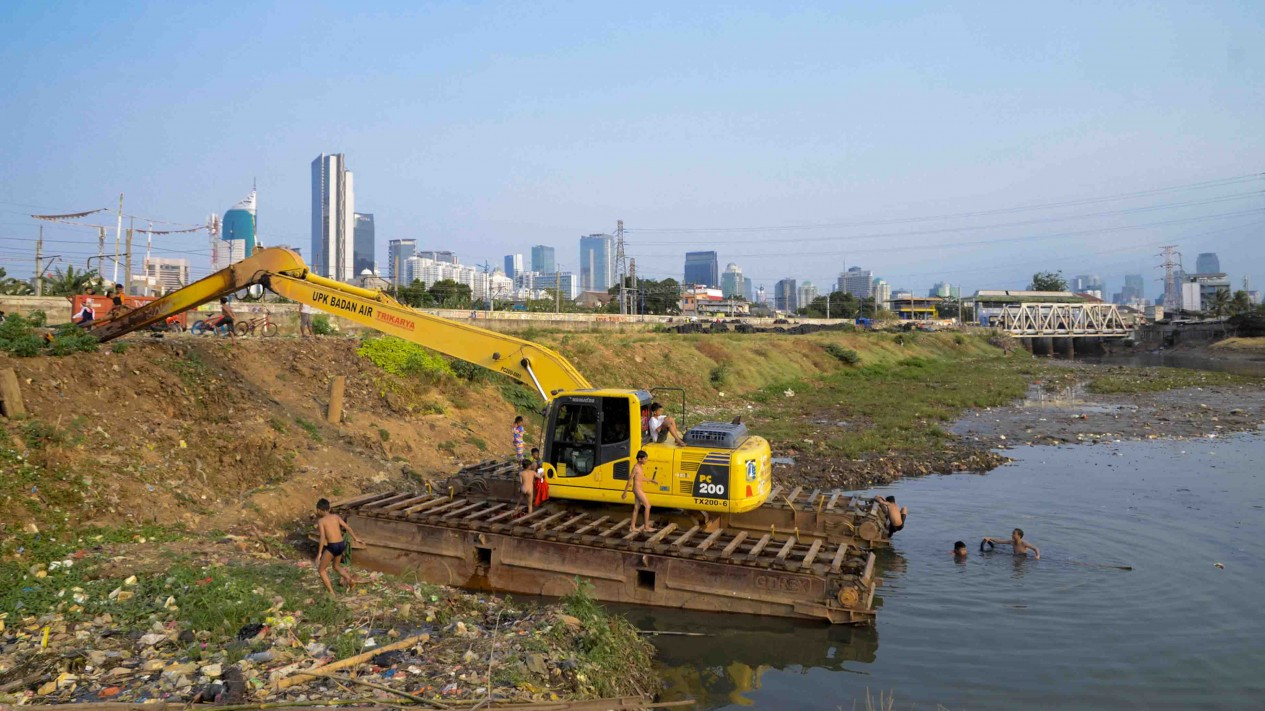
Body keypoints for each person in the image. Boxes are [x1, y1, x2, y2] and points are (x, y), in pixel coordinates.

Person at [315, 498, 363, 594]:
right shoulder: (336, 517)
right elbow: (347, 527)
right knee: (336, 566)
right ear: (329, 509)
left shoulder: (321, 521)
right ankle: (350, 579)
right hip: (341, 545)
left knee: (321, 570)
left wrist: (319, 554)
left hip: (332, 546)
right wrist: (355, 538)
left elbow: (322, 537)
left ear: (319, 509)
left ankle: (332, 593)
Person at [621, 450, 654, 533]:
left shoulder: (640, 467)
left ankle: (632, 527)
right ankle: (646, 526)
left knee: (636, 508)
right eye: (645, 459)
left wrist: (650, 480)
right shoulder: (636, 467)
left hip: (639, 488)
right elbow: (630, 479)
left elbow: (640, 478)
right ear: (640, 459)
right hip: (637, 489)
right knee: (648, 506)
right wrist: (625, 492)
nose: (646, 460)